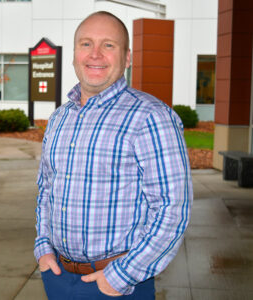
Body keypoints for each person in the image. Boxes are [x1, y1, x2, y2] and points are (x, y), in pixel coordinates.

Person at [34, 11, 193, 300]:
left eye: (108, 45)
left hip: (117, 286)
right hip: (57, 277)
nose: (95, 54)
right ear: (73, 55)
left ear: (127, 57)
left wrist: (120, 276)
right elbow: (46, 190)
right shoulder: (59, 118)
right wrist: (43, 248)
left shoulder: (151, 117)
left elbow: (173, 208)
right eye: (86, 44)